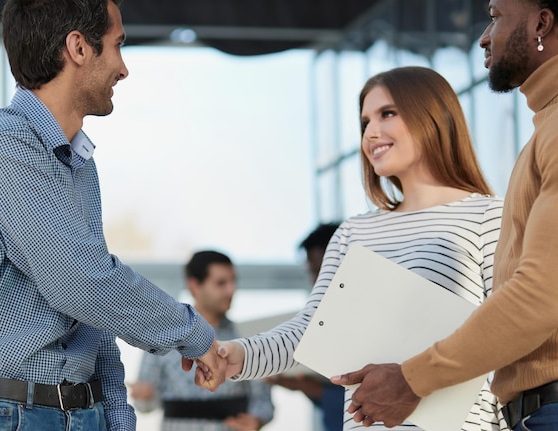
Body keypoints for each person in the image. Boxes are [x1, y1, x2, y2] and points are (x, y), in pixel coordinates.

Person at [195, 66, 506, 431]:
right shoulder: (353, 232)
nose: (371, 133)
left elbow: (509, 331)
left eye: (387, 113)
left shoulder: (490, 216)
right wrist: (238, 357)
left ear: (432, 116)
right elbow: (311, 330)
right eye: (364, 122)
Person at [329, 1, 558, 431]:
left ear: (542, 23)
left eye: (496, 17)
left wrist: (411, 380)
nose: (484, 37)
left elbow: (536, 299)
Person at [0, 1, 226, 430]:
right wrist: (193, 334)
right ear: (79, 48)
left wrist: (119, 419)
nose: (123, 69)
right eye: (116, 46)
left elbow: (95, 308)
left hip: (76, 412)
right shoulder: (6, 147)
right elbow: (81, 281)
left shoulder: (78, 162)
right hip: (7, 414)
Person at [131, 251, 274, 431]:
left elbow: (263, 402)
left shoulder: (246, 336)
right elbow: (145, 405)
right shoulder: (163, 336)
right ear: (194, 286)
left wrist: (256, 420)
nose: (231, 290)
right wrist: (145, 397)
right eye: (221, 283)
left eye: (233, 281)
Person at [266, 223, 345, 431]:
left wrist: (310, 388)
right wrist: (304, 386)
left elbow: (383, 394)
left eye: (321, 272)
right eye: (313, 273)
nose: (316, 282)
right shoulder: (328, 321)